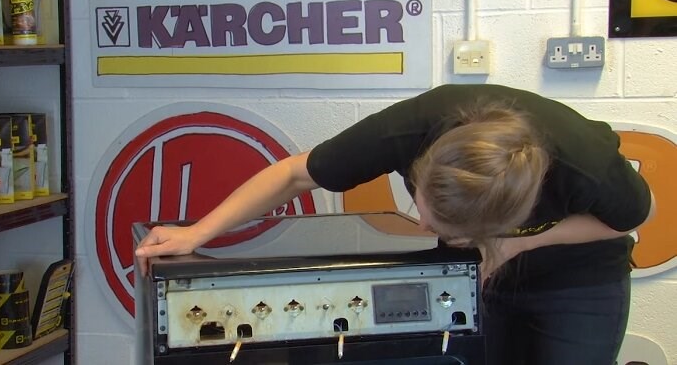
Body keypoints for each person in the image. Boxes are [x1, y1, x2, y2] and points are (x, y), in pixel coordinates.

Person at [135, 84, 654, 365]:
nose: (429, 226)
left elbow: (629, 223)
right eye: (425, 207)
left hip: (580, 280)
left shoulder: (584, 162)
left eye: (457, 229)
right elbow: (294, 175)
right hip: (484, 267)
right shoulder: (413, 127)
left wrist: (516, 246)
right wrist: (197, 233)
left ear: (507, 217)